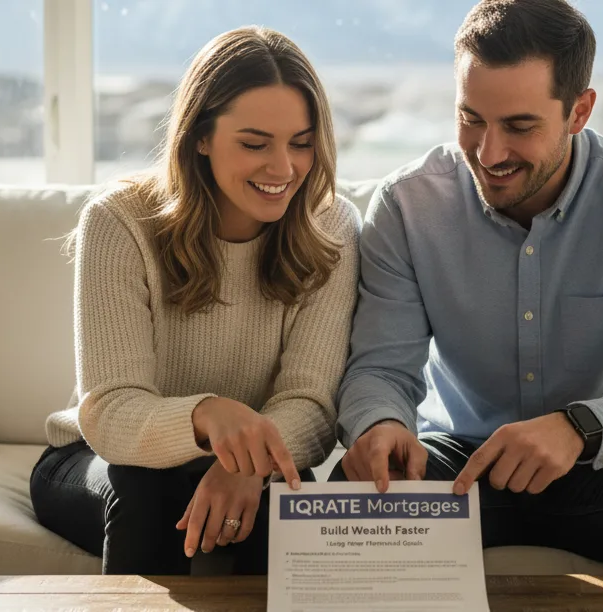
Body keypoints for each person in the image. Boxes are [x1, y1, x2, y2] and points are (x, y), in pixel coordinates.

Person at [331, 0, 603, 574]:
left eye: (519, 126)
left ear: (579, 111)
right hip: (458, 466)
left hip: (600, 463)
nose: (488, 153)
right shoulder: (408, 204)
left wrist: (579, 427)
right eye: (471, 118)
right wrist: (381, 424)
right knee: (355, 488)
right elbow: (379, 370)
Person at [30, 26, 361, 576]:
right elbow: (110, 412)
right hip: (100, 459)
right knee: (146, 493)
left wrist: (249, 465)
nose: (283, 169)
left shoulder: (331, 225)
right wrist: (210, 415)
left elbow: (311, 405)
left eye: (301, 143)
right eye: (255, 143)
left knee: (280, 515)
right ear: (200, 136)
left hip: (243, 465)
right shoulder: (118, 221)